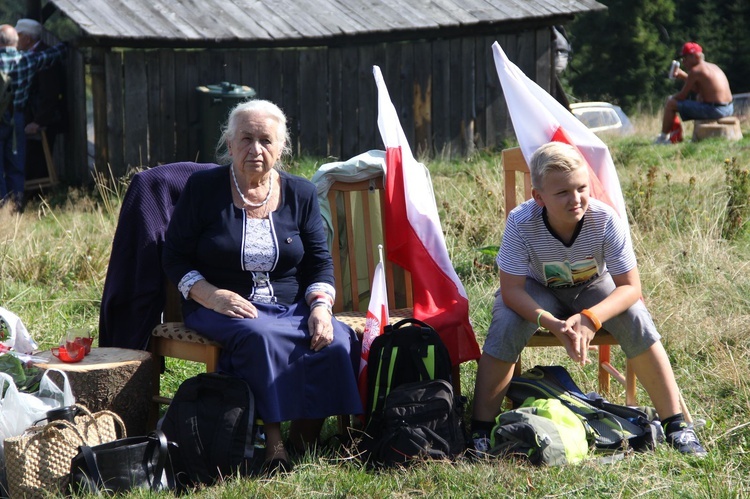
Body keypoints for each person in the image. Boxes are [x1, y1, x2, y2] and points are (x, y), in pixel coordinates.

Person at [162, 99, 362, 475]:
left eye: (266, 140)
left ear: (281, 147)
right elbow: (174, 256)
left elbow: (319, 262)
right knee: (261, 337)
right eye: (246, 139)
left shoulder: (301, 193)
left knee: (336, 340)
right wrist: (209, 294)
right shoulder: (204, 189)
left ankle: (308, 435)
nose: (256, 149)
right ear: (229, 142)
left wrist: (320, 307)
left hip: (289, 305)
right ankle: (274, 445)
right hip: (221, 305)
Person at [470, 142, 706, 457]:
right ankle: (480, 431)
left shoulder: (605, 219)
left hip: (594, 287)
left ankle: (676, 425)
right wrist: (551, 323)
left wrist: (590, 318)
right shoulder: (521, 221)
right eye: (562, 193)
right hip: (539, 289)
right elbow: (511, 290)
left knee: (635, 315)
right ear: (538, 197)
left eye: (582, 188)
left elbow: (630, 287)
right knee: (507, 322)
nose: (576, 199)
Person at [0, 23, 65, 210]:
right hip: (17, 119)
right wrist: (67, 45)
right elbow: (52, 55)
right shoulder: (27, 60)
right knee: (16, 167)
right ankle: (17, 209)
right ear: (15, 41)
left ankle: (1, 211)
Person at [15, 19, 66, 185]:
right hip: (35, 116)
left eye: (18, 35)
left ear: (27, 39)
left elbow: (49, 93)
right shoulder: (36, 54)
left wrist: (38, 121)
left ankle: (37, 196)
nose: (15, 40)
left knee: (37, 159)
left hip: (43, 118)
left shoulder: (44, 57)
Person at [655, 42, 733, 144]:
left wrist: (670, 99)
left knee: (671, 103)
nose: (684, 62)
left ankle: (663, 138)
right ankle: (671, 135)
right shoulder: (712, 66)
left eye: (685, 58)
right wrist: (683, 76)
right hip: (729, 108)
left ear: (694, 57)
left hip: (715, 110)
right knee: (696, 98)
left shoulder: (695, 71)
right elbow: (701, 90)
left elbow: (682, 96)